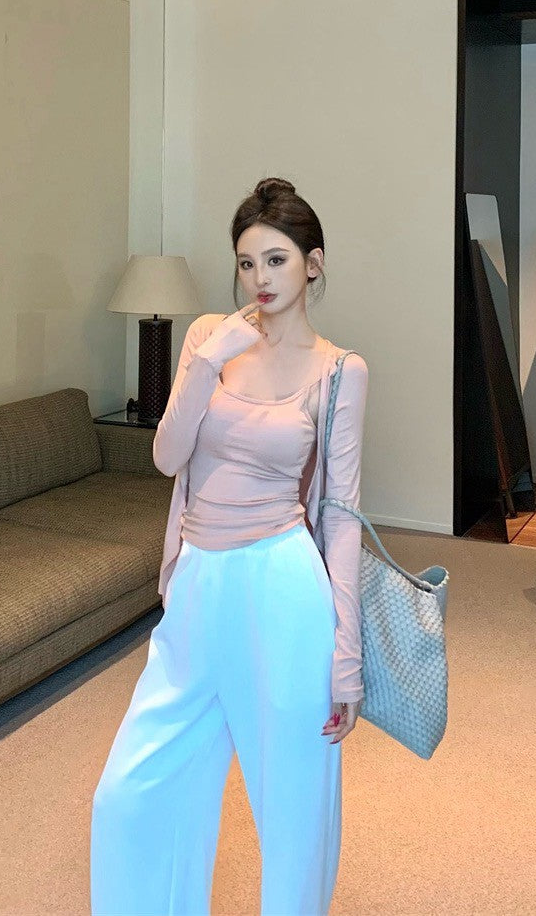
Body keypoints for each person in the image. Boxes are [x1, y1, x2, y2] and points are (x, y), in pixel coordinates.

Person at [90, 177, 369, 916]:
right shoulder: (209, 337)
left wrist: (347, 656)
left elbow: (342, 516)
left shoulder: (340, 370)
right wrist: (210, 360)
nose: (259, 279)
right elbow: (166, 456)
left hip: (283, 586)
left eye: (276, 260)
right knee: (130, 792)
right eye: (247, 262)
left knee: (293, 804)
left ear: (313, 263)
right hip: (197, 584)